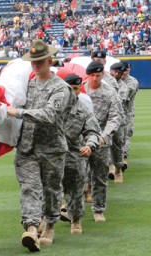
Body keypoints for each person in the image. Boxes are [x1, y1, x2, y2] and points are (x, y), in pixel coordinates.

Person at [6, 40, 76, 251]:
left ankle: (50, 226)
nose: (36, 65)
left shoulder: (61, 88)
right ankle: (31, 227)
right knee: (29, 188)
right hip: (27, 147)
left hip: (52, 148)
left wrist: (18, 112)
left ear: (49, 61)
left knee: (52, 190)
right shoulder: (27, 84)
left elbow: (49, 115)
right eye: (33, 61)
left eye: (40, 61)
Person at [61, 74, 101, 234]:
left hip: (74, 154)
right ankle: (45, 223)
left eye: (75, 89)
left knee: (76, 189)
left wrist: (90, 145)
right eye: (69, 89)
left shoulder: (84, 110)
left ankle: (75, 219)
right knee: (49, 189)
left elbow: (93, 131)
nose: (72, 92)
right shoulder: (52, 107)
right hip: (52, 154)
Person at [83, 61, 122, 222]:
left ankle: (98, 209)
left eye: (98, 75)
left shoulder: (109, 92)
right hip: (82, 141)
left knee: (100, 177)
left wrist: (105, 135)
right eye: (92, 75)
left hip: (101, 142)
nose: (94, 78)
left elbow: (115, 117)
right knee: (78, 176)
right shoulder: (80, 90)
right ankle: (74, 212)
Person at [108, 62, 130, 184]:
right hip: (105, 119)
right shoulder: (104, 82)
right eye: (115, 71)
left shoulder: (123, 88)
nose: (117, 74)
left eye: (119, 73)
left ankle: (118, 169)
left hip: (118, 120)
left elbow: (119, 103)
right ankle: (110, 167)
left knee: (117, 145)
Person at [121, 62, 139, 169]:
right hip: (115, 113)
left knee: (127, 133)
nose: (125, 72)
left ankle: (123, 156)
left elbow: (124, 97)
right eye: (123, 70)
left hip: (127, 112)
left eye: (127, 70)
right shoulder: (114, 79)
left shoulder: (132, 81)